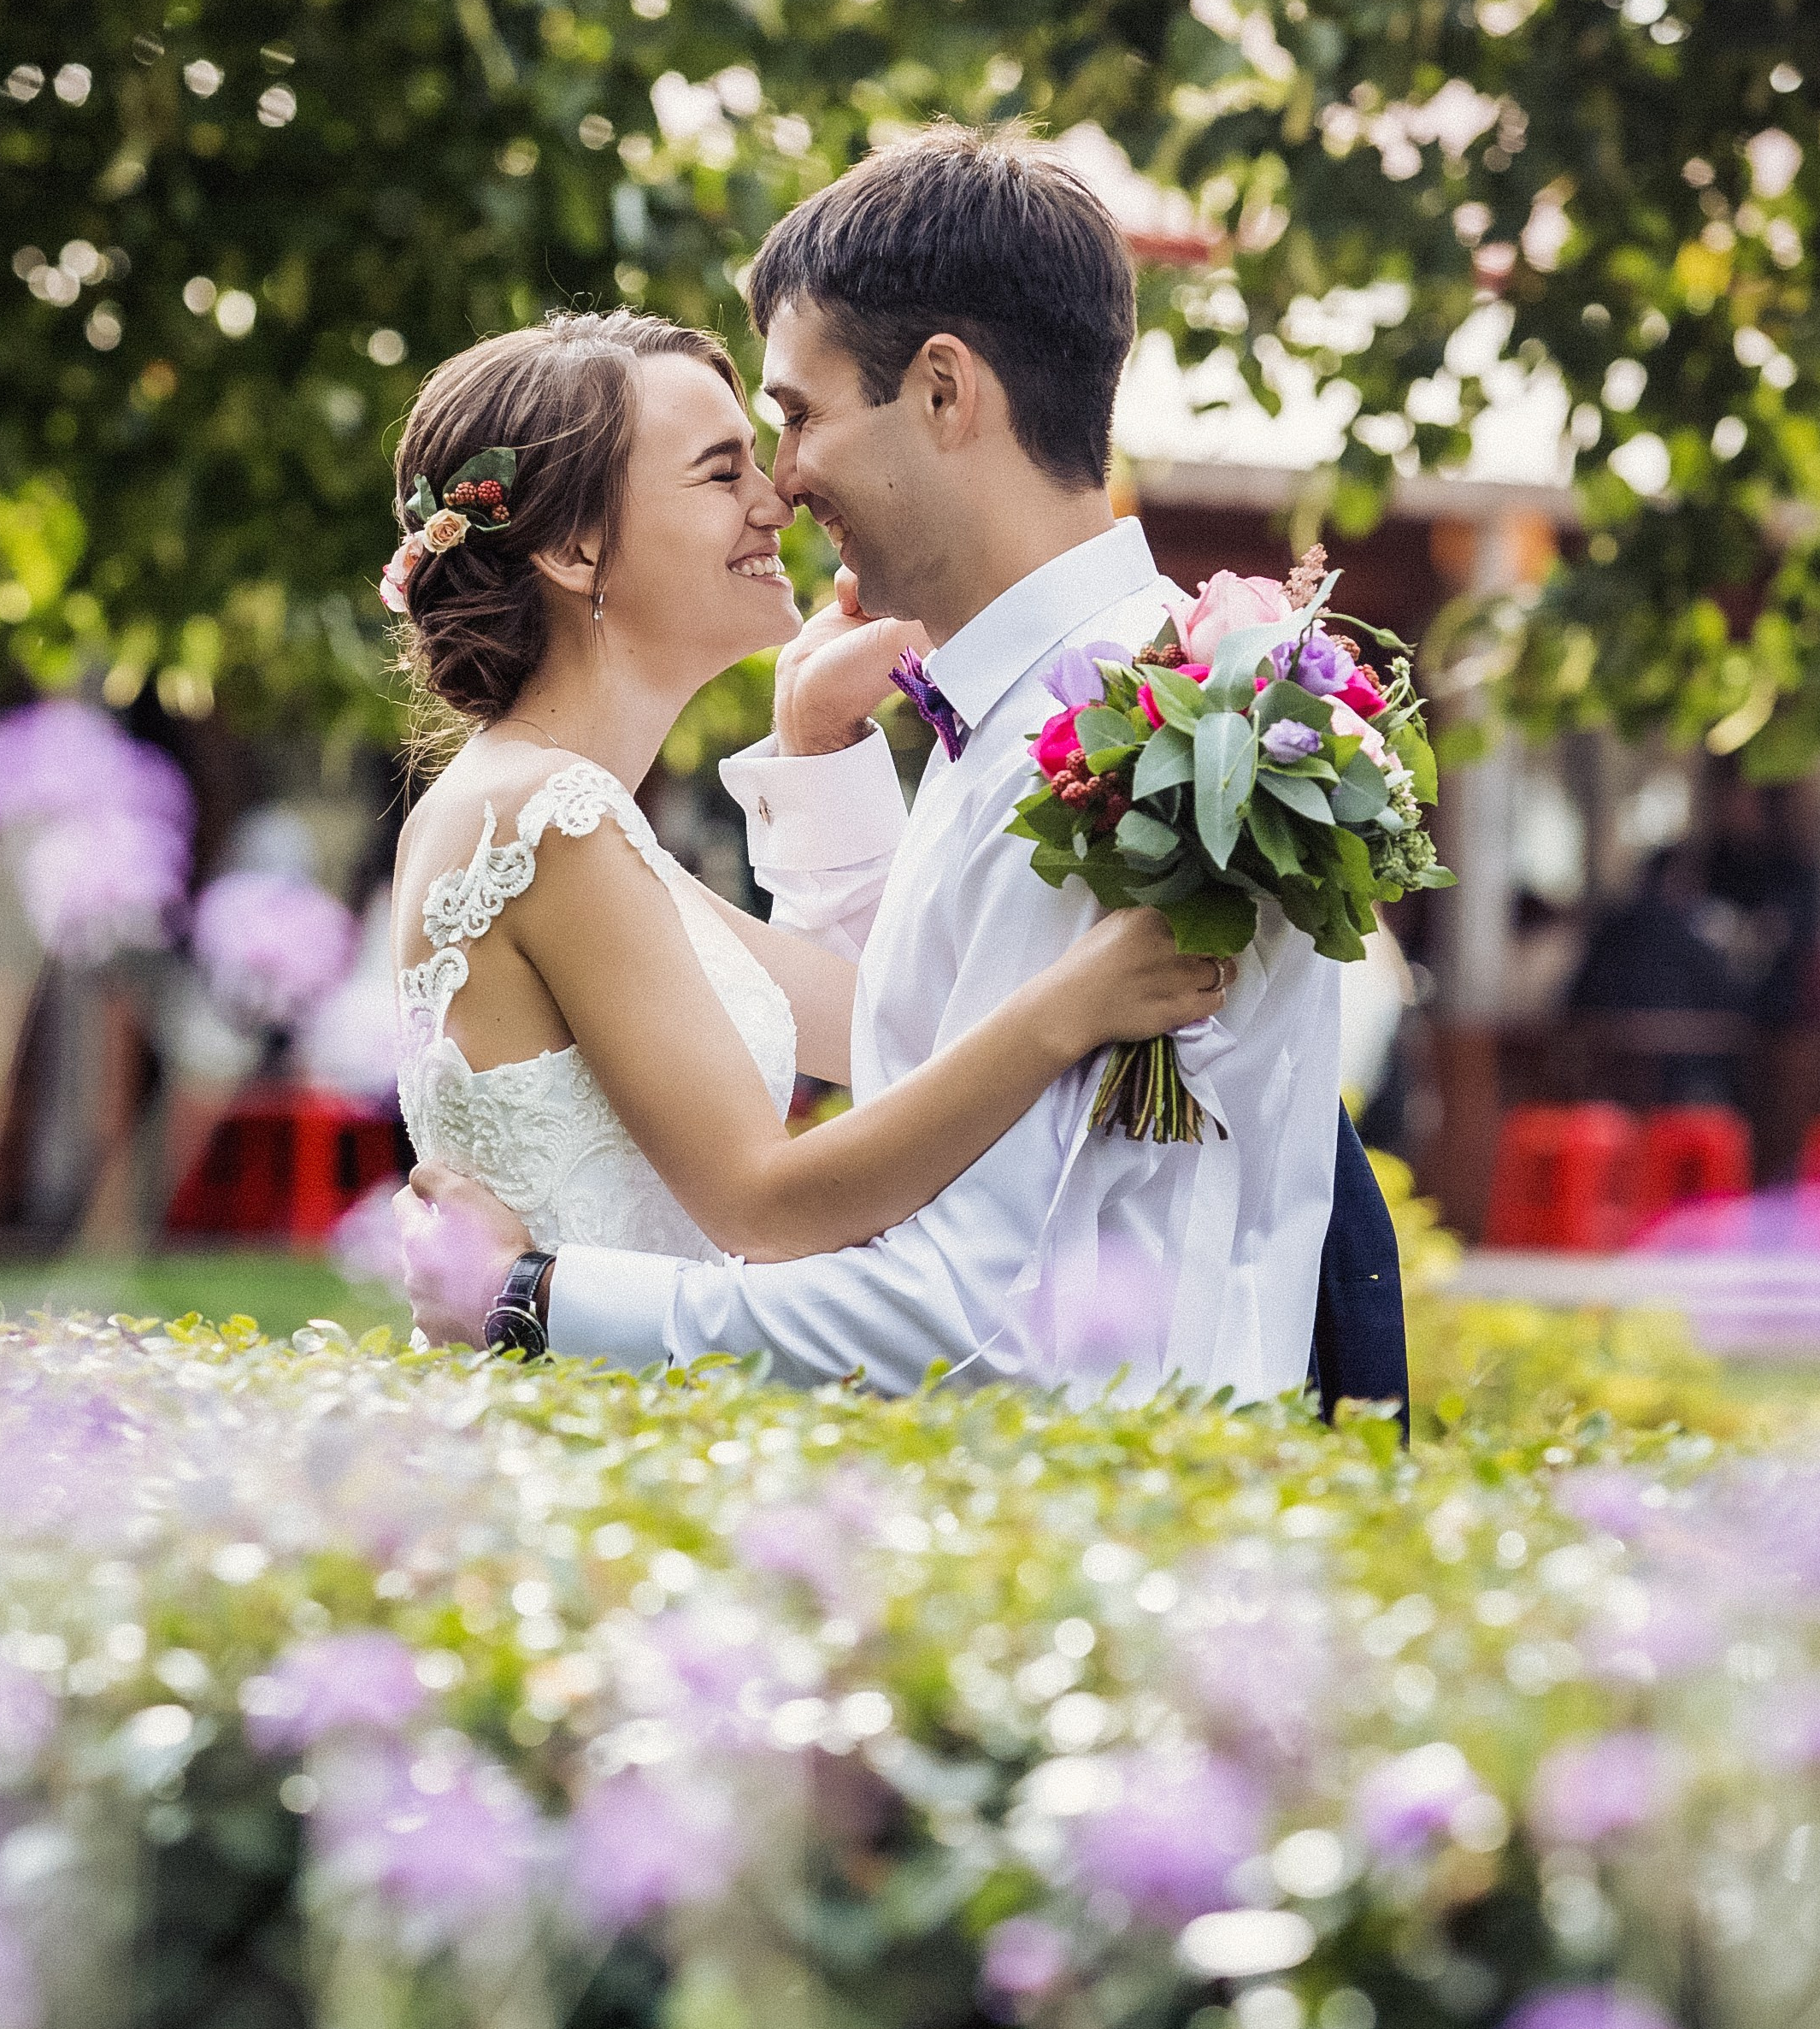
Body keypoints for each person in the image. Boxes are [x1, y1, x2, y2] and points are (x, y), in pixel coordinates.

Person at [400, 124, 1406, 1413]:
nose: (785, 485)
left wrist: (536, 1302)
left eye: (798, 416)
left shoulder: (1141, 753)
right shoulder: (1035, 724)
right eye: (737, 462)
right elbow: (919, 1070)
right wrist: (819, 766)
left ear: (943, 391)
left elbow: (974, 1316)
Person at [386, 304, 1232, 1301]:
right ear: (574, 550)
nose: (779, 496)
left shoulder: (545, 812)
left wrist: (818, 741)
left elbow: (891, 1027)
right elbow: (767, 1207)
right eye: (720, 470)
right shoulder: (549, 819)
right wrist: (1073, 1007)